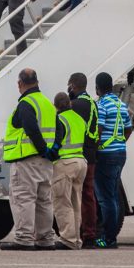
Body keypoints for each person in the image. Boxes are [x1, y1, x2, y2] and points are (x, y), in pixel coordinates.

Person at [0, 68, 59, 250]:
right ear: (37, 82)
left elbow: (31, 128)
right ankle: (45, 239)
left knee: (23, 198)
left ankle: (24, 238)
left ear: (20, 84)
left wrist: (41, 149)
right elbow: (60, 128)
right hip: (46, 162)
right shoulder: (48, 104)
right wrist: (52, 150)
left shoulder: (25, 103)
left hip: (27, 160)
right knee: (44, 200)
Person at [94, 72, 132, 249]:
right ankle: (111, 236)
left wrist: (96, 146)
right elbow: (128, 129)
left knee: (105, 199)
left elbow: (99, 129)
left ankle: (108, 239)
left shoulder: (101, 104)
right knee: (114, 197)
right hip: (120, 153)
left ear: (97, 88)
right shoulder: (121, 104)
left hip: (105, 155)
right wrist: (119, 142)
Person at [66, 72, 99, 248]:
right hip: (92, 155)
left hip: (77, 155)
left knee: (72, 196)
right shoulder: (92, 103)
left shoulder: (75, 105)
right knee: (88, 196)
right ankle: (90, 235)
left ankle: (74, 234)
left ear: (73, 85)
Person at [51, 92, 88, 250]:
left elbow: (57, 141)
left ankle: (67, 239)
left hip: (65, 163)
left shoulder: (59, 119)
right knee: (76, 203)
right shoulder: (79, 119)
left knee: (62, 202)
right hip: (81, 162)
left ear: (56, 106)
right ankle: (76, 239)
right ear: (70, 104)